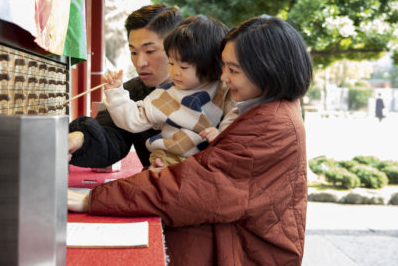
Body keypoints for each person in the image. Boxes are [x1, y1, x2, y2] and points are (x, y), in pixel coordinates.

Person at [69, 15, 313, 265]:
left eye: (233, 70)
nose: (225, 77)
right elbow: (115, 129)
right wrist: (81, 137)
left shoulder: (264, 119)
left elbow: (198, 185)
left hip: (234, 248)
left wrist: (94, 199)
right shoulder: (262, 106)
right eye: (132, 52)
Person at [102, 15, 229, 166]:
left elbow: (238, 121)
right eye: (171, 63)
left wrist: (223, 135)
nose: (175, 72)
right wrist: (116, 93)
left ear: (211, 65)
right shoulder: (165, 95)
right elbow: (133, 119)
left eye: (183, 67)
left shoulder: (226, 90)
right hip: (169, 159)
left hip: (208, 162)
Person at [68, 4, 183, 168]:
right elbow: (109, 134)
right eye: (134, 52)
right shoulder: (130, 92)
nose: (139, 63)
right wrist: (78, 138)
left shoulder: (211, 90)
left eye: (150, 51)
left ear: (177, 49)